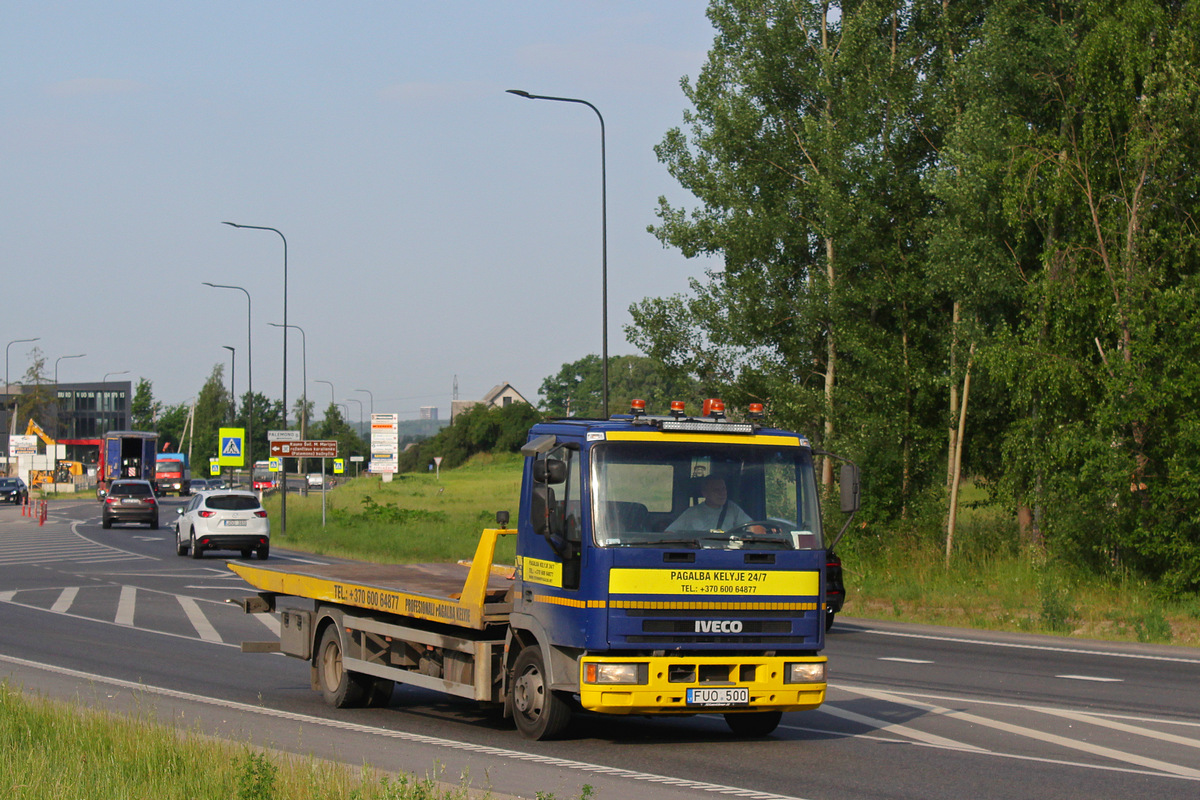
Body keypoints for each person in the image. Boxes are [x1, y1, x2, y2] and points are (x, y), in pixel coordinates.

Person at [667, 476, 753, 533]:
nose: (722, 493)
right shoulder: (692, 513)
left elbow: (754, 527)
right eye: (716, 490)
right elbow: (669, 534)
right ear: (705, 494)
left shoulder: (732, 508)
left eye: (724, 489)